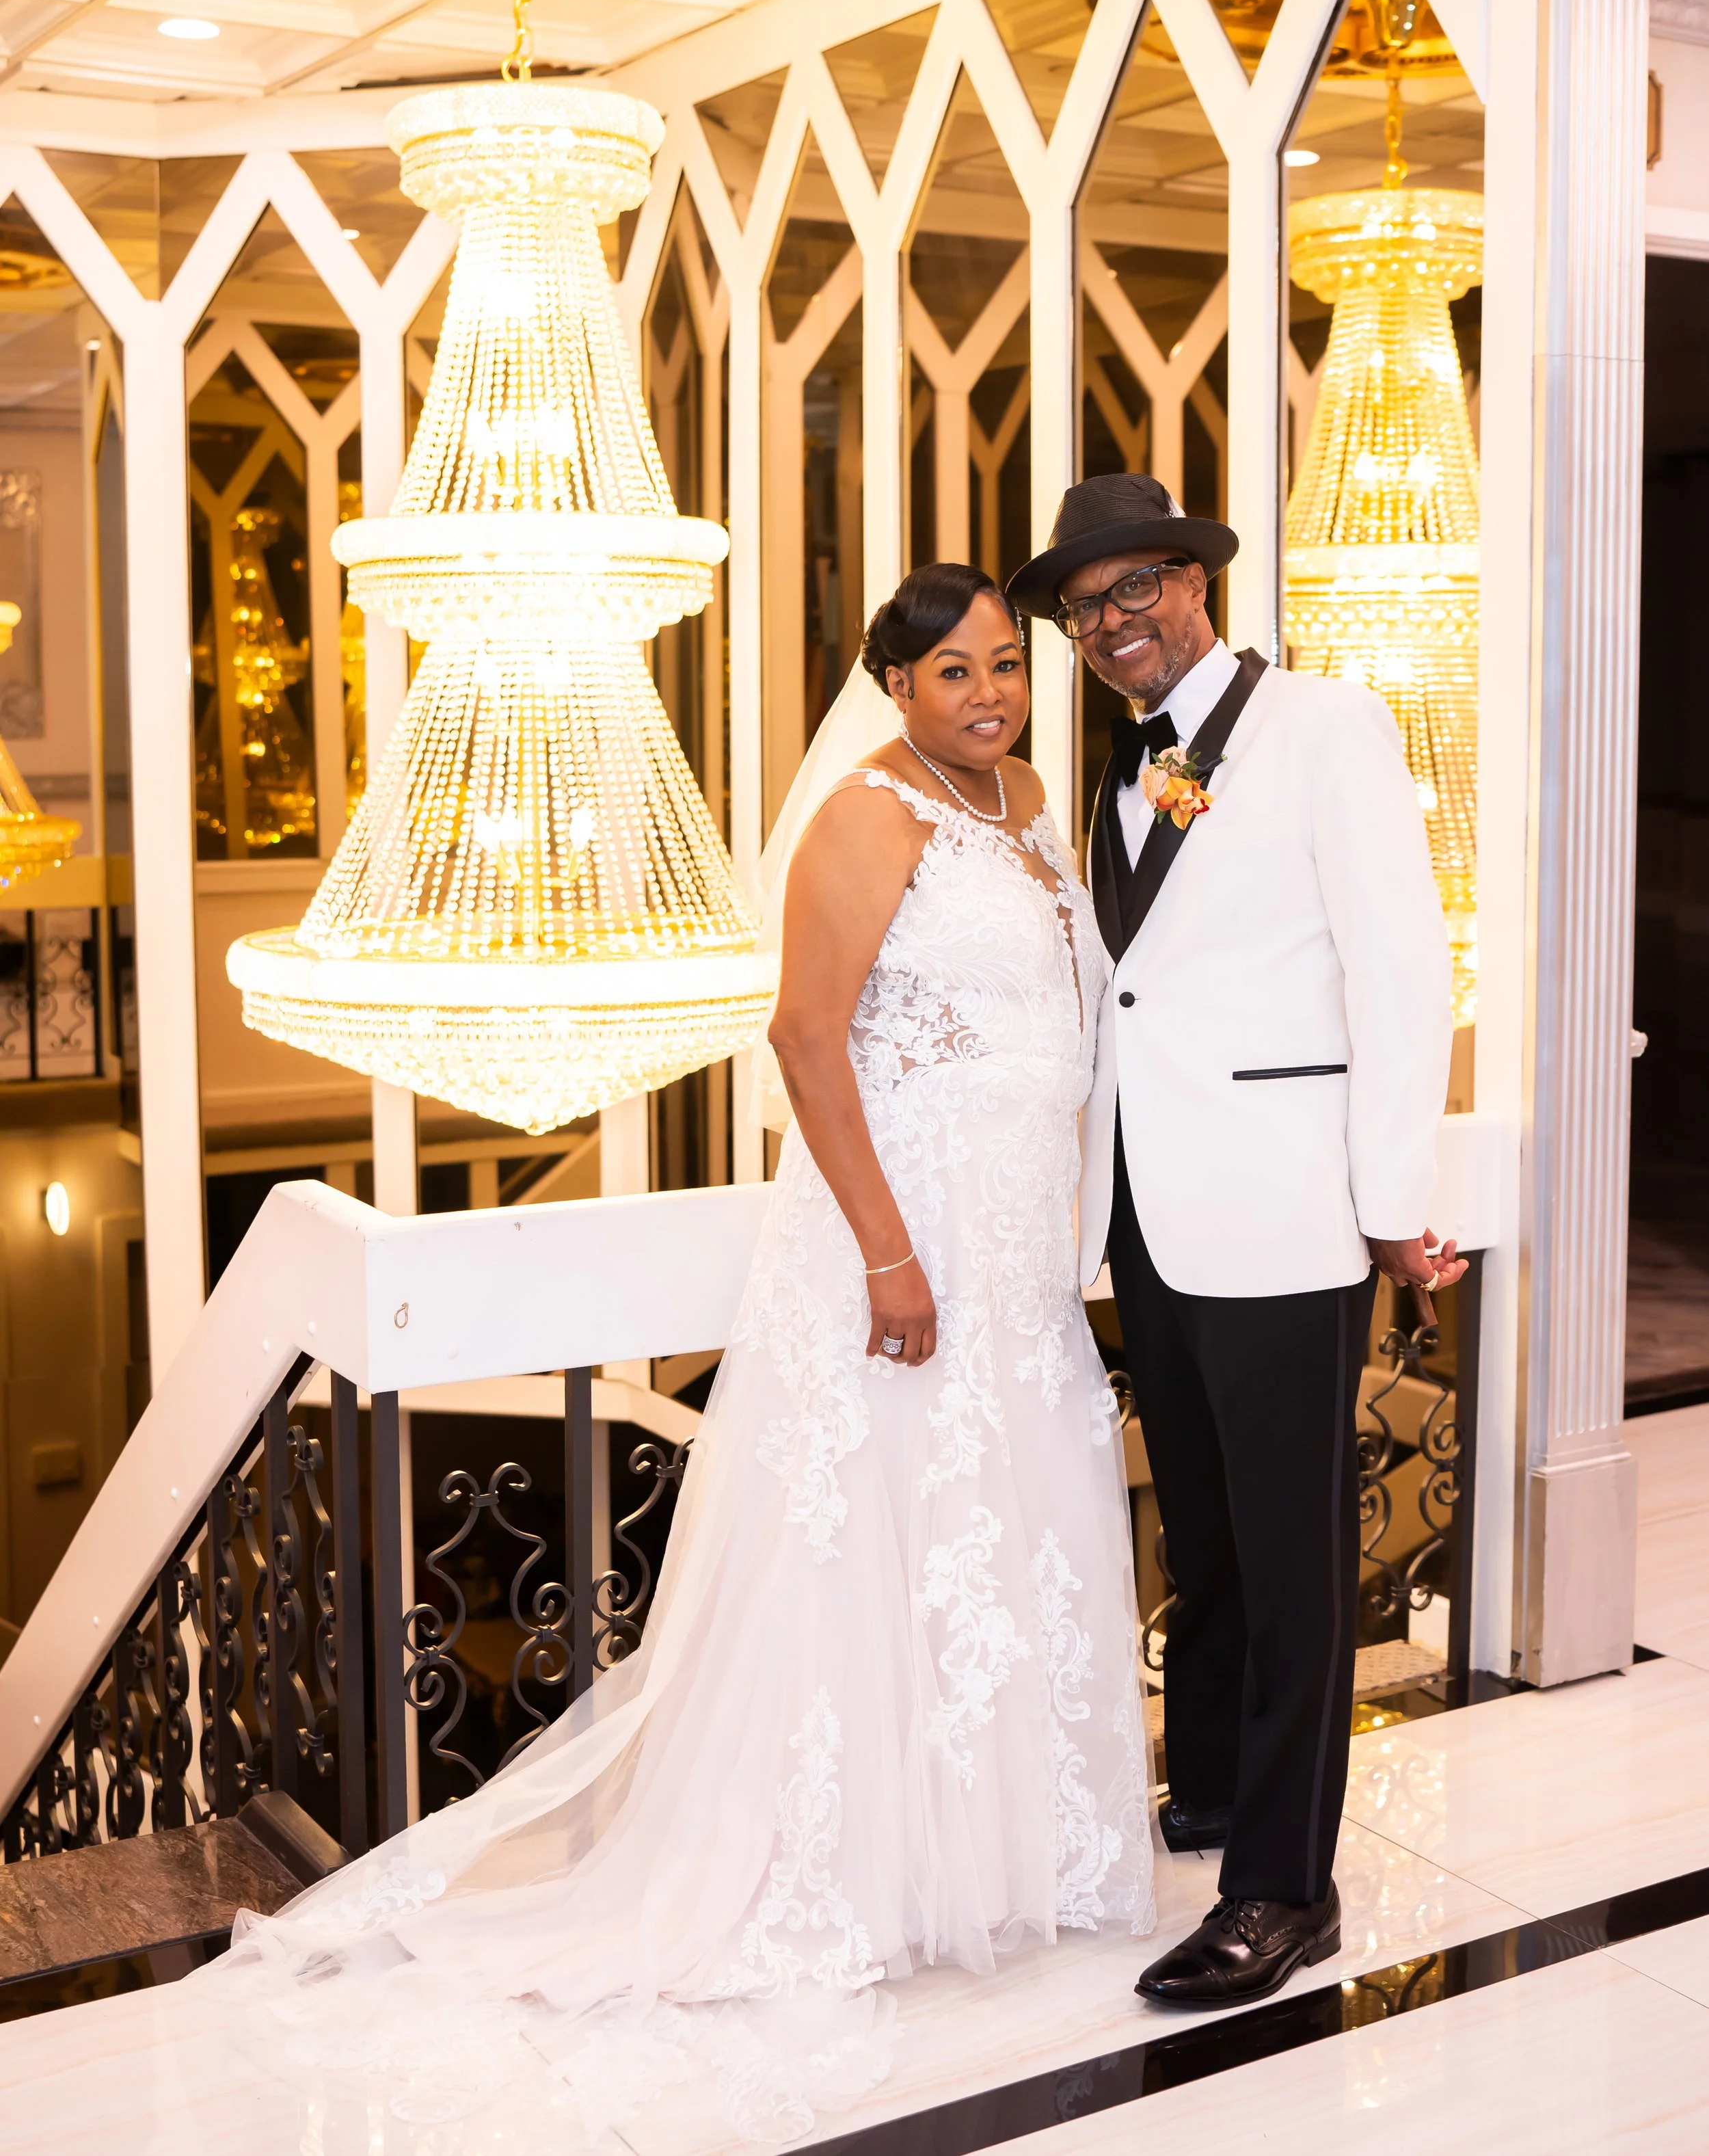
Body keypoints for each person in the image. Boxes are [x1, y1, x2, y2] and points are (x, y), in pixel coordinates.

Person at [149, 562, 1151, 2147]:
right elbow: (809, 1041)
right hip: (906, 1250)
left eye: (1005, 666)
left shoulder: (1030, 798)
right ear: (890, 687)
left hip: (1020, 1256)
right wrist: (893, 1254)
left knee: (987, 1541)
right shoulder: (867, 817)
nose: (989, 694)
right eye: (953, 671)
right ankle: (848, 1877)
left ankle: (995, 1851)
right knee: (866, 1551)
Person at [1008, 475, 1459, 2012]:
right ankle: (1202, 1792)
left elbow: (1401, 967)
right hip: (1146, 1215)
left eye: (1135, 589)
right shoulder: (1115, 777)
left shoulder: (1324, 728)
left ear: (1196, 582)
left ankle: (1282, 1889)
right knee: (1195, 1541)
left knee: (1286, 1566)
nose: (1110, 624)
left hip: (1283, 1214)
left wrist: (1391, 1199)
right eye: (1082, 610)